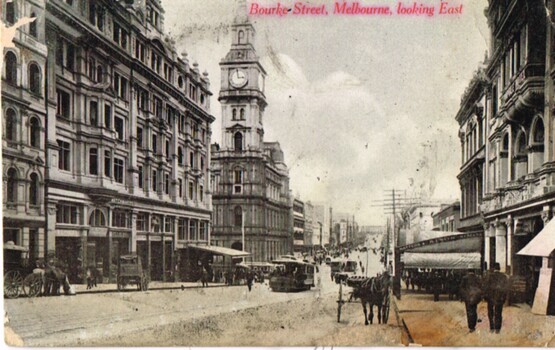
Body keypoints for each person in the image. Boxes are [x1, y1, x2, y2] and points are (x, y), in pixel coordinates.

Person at [482, 263, 509, 333]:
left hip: (490, 298)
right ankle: (497, 329)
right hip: (499, 298)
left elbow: (486, 288)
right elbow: (506, 288)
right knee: (499, 313)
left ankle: (491, 327)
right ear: (499, 268)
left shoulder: (489, 276)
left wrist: (485, 297)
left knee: (490, 313)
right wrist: (504, 298)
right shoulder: (504, 277)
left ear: (493, 268)